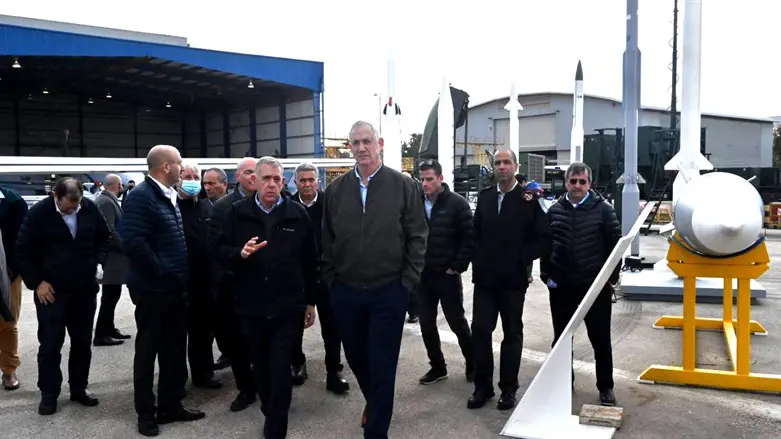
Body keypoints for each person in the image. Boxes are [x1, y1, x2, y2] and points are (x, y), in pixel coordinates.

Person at [322, 120, 428, 439]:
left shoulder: (403, 185)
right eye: (355, 143)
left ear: (379, 143)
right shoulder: (336, 190)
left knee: (383, 364)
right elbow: (326, 239)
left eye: (367, 141)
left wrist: (406, 283)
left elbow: (418, 236)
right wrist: (331, 281)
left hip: (388, 291)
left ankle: (376, 430)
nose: (361, 148)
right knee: (356, 357)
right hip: (347, 291)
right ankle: (376, 402)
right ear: (349, 147)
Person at [213, 156, 318, 439]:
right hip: (251, 306)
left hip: (288, 306)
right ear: (254, 181)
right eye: (266, 178)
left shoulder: (297, 214)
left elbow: (310, 260)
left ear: (283, 182)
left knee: (280, 367)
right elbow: (219, 251)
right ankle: (272, 412)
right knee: (260, 366)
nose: (272, 184)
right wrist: (239, 254)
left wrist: (310, 301)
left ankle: (275, 429)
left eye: (277, 179)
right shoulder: (237, 213)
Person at [121, 145, 204, 437]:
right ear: (166, 166)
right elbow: (132, 241)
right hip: (153, 291)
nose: (183, 169)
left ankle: (170, 405)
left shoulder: (168, 196)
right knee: (148, 352)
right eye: (180, 164)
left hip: (174, 290)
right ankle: (146, 413)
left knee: (173, 350)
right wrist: (162, 270)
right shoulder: (141, 197)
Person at [15, 177, 111, 415]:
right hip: (52, 291)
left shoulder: (89, 208)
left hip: (84, 290)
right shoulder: (39, 213)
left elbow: (105, 238)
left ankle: (79, 388)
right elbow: (22, 251)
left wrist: (99, 262)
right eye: (68, 206)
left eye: (76, 206)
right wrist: (37, 283)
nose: (73, 210)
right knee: (50, 345)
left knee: (81, 343)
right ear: (55, 196)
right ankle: (49, 394)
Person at [468, 149, 552, 411]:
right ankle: (483, 387)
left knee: (512, 334)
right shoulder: (485, 198)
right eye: (498, 163)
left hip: (513, 280)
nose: (502, 167)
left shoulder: (529, 199)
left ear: (515, 166)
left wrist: (521, 257)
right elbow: (476, 234)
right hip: (485, 279)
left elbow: (545, 238)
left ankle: (508, 389)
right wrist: (477, 257)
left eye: (506, 163)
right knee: (481, 331)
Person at [540, 162, 621, 406]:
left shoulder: (604, 210)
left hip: (594, 289)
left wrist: (610, 279)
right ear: (566, 183)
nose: (577, 186)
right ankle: (564, 382)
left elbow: (616, 247)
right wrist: (548, 277)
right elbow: (546, 248)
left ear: (590, 183)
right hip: (562, 289)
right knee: (562, 340)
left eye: (582, 181)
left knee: (600, 341)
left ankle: (605, 386)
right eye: (573, 181)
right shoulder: (554, 211)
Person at [290, 162, 349, 394]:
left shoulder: (330, 205)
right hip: (297, 276)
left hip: (327, 274)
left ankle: (334, 370)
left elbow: (342, 236)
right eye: (302, 180)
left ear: (318, 181)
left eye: (311, 179)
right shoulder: (287, 205)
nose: (307, 184)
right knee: (294, 325)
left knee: (332, 327)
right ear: (296, 182)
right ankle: (297, 363)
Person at [415, 159, 475, 385]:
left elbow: (469, 239)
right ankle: (438, 367)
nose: (425, 184)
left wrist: (456, 267)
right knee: (426, 324)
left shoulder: (457, 204)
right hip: (423, 276)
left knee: (456, 322)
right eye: (422, 179)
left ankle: (472, 363)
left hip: (447, 275)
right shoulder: (416, 203)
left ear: (440, 178)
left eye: (429, 179)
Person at [207, 157, 259, 412]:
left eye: (256, 172)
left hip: (266, 285)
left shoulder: (274, 202)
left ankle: (267, 384)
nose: (253, 177)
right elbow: (215, 249)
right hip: (234, 285)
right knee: (238, 344)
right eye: (248, 172)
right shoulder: (223, 207)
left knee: (264, 341)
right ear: (237, 177)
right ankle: (246, 389)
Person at [177, 162, 222, 389]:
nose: (193, 181)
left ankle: (203, 374)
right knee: (177, 336)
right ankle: (177, 381)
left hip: (205, 282)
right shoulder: (172, 206)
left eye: (196, 177)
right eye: (188, 176)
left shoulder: (207, 207)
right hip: (182, 283)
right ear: (178, 179)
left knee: (203, 333)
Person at [93, 174, 130, 346]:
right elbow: (109, 230)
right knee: (109, 296)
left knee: (112, 295)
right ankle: (101, 333)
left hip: (113, 257)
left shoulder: (107, 200)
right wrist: (125, 247)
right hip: (111, 257)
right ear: (117, 185)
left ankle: (109, 328)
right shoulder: (106, 202)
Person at [0, 184, 27, 391]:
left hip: (7, 273)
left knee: (8, 322)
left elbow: (22, 240)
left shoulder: (13, 202)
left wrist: (14, 270)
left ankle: (9, 370)